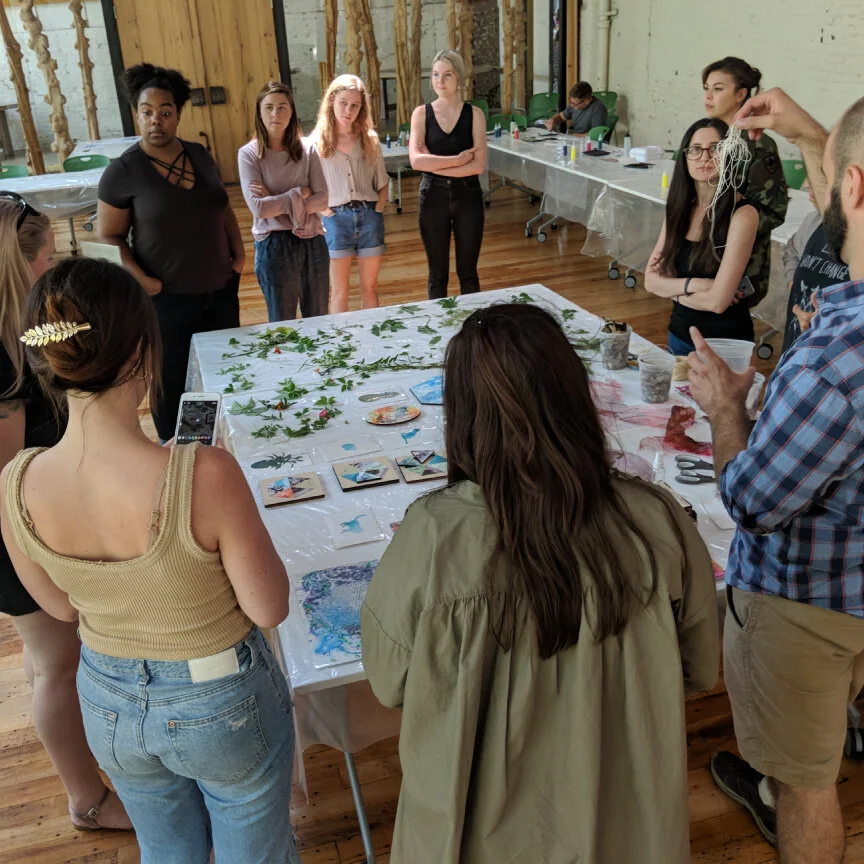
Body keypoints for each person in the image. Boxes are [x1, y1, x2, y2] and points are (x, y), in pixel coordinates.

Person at [361, 303, 719, 864]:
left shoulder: (433, 535)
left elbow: (390, 683)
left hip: (479, 833)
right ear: (574, 397)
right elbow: (698, 666)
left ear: (463, 413)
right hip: (627, 827)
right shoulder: (656, 516)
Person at [0, 258, 300, 864]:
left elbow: (60, 607)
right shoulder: (204, 473)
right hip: (220, 698)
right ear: (141, 352)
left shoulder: (15, 482)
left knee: (166, 851)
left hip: (106, 699)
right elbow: (269, 608)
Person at [689, 89, 864, 864]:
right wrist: (812, 135)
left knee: (806, 784)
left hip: (806, 608)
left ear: (852, 186)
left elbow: (752, 502)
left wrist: (727, 411)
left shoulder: (834, 360)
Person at [0, 198, 132, 833]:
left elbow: (74, 344)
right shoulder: (3, 357)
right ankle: (87, 799)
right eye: (48, 257)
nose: (54, 265)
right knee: (59, 663)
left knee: (43, 656)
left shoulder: (23, 328)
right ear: (17, 264)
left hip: (30, 523)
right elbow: (9, 476)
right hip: (16, 533)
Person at [97, 63, 245, 444]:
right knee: (174, 382)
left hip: (220, 291)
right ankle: (181, 455)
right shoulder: (123, 171)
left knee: (223, 374)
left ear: (178, 114)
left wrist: (239, 253)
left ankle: (217, 449)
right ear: (136, 114)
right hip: (167, 299)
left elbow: (223, 208)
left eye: (165, 112)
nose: (156, 121)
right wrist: (143, 282)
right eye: (147, 112)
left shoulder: (201, 155)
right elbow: (108, 237)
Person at [645, 118, 759, 354]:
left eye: (715, 148)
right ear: (685, 157)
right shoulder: (679, 208)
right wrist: (700, 284)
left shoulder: (743, 214)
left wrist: (672, 291)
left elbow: (717, 303)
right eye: (695, 149)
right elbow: (650, 281)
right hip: (679, 333)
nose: (704, 157)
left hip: (725, 344)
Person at [239, 81, 329, 322]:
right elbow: (259, 208)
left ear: (291, 112)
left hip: (312, 240)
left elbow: (322, 200)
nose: (275, 114)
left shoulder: (308, 149)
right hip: (274, 243)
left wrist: (274, 197)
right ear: (259, 112)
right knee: (282, 323)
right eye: (268, 107)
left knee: (319, 321)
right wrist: (301, 193)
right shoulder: (249, 154)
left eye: (282, 107)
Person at [702, 57, 788, 308]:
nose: (708, 96)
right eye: (706, 88)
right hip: (703, 256)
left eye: (718, 89)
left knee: (729, 324)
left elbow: (773, 211)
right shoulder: (706, 137)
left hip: (742, 262)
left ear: (741, 94)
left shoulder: (758, 146)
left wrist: (736, 215)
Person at [409, 49, 487, 300]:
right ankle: (438, 323)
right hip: (432, 196)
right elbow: (415, 161)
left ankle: (473, 323)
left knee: (468, 273)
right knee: (437, 275)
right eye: (435, 75)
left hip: (468, 195)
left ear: (459, 79)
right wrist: (457, 160)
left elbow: (478, 166)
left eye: (447, 75)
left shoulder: (475, 115)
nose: (440, 81)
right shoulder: (421, 114)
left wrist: (433, 163)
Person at [312, 74, 388, 313]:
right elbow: (307, 187)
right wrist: (327, 213)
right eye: (343, 103)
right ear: (331, 101)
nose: (348, 110)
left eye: (355, 105)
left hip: (369, 216)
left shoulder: (369, 139)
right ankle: (340, 336)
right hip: (335, 220)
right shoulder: (315, 143)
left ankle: (372, 334)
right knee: (339, 291)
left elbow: (382, 182)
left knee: (370, 288)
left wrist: (378, 210)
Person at [780, 180, 848, 352]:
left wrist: (829, 321)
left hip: (836, 351)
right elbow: (792, 251)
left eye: (822, 174)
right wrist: (794, 284)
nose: (806, 184)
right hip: (795, 343)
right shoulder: (814, 220)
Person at [543, 81, 608, 134]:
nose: (571, 105)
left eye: (574, 104)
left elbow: (596, 135)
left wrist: (572, 135)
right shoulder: (574, 105)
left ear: (587, 101)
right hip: (575, 140)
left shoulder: (598, 108)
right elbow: (560, 117)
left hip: (589, 143)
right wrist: (553, 121)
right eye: (571, 102)